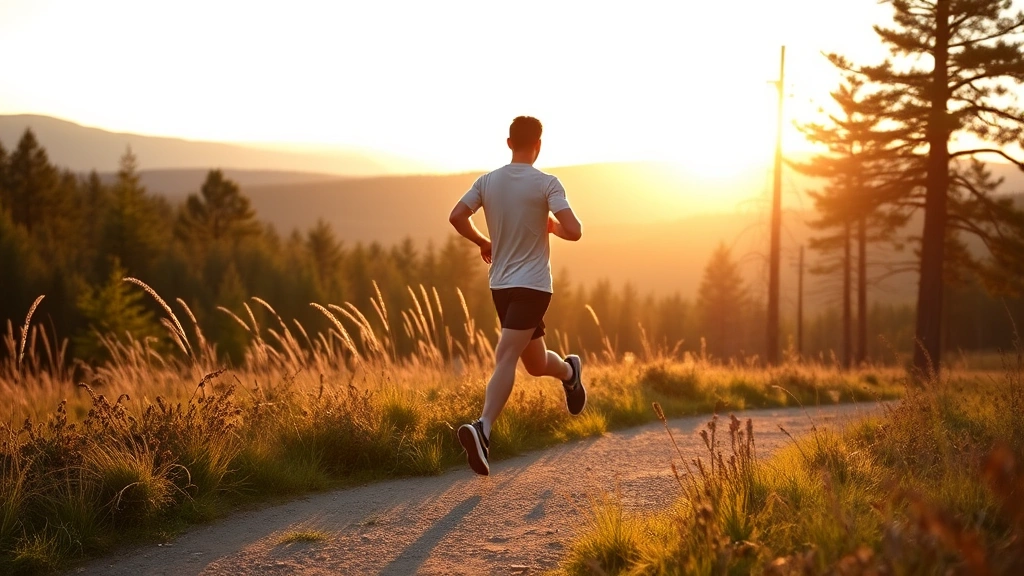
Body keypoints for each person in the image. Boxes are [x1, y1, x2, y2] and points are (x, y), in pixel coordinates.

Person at [447, 115, 585, 476]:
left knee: (505, 353)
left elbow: (457, 216)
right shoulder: (547, 184)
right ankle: (570, 372)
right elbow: (575, 230)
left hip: (513, 286)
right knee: (535, 364)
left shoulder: (487, 182)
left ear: (509, 143)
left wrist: (482, 241)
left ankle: (483, 429)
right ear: (538, 146)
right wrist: (552, 224)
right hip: (525, 284)